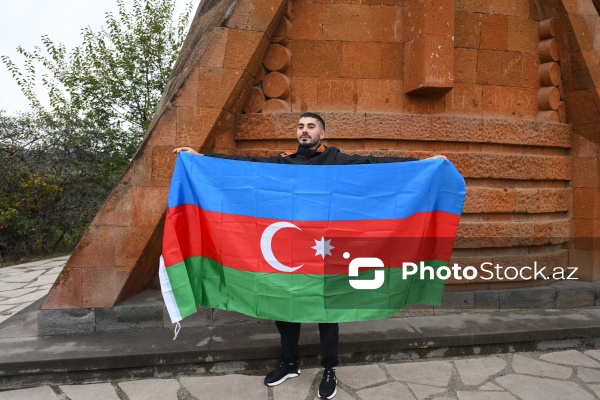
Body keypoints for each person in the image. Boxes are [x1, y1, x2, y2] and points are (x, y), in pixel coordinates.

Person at [174, 112, 446, 399]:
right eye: (301, 126)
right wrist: (201, 158)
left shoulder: (337, 161)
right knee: (284, 308)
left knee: (327, 313)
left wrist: (422, 165)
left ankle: (330, 368)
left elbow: (376, 166)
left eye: (311, 126)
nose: (305, 131)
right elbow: (248, 166)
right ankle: (289, 362)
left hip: (325, 254)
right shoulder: (283, 162)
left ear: (323, 133)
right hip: (288, 252)